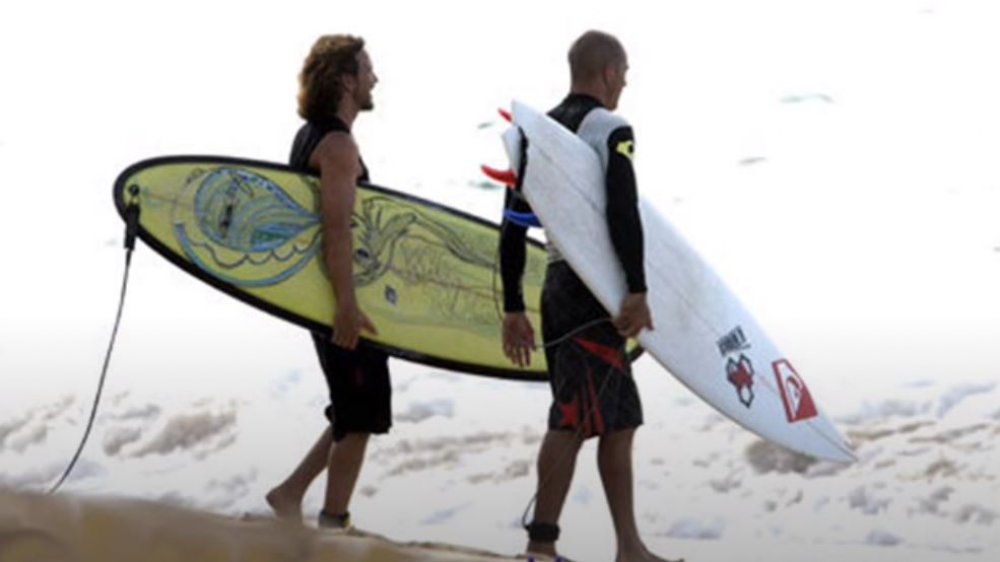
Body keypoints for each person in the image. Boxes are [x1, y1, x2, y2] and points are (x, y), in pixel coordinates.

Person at [499, 31, 681, 562]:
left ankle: (629, 547)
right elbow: (623, 211)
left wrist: (513, 305)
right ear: (608, 72)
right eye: (623, 73)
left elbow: (513, 225)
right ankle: (540, 547)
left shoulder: (537, 133)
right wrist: (638, 289)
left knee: (620, 420)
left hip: (556, 287)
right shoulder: (610, 128)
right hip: (592, 292)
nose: (624, 83)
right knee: (574, 416)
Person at [265, 34, 388, 531]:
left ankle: (289, 492)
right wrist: (346, 305)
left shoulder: (312, 135)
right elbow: (335, 229)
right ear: (345, 79)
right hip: (334, 296)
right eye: (367, 68)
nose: (375, 78)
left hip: (322, 294)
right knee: (361, 416)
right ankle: (334, 527)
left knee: (352, 405)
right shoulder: (337, 144)